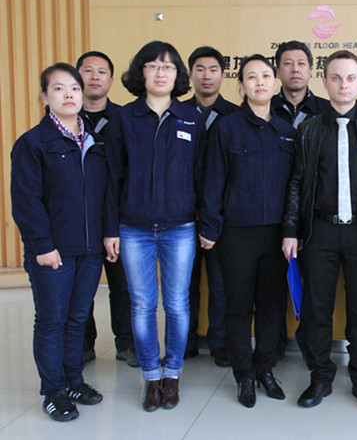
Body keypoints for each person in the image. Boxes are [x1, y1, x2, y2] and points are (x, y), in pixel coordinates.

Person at [282, 50, 357, 410]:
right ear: (324, 81)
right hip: (320, 232)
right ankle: (320, 377)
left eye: (350, 78)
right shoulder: (309, 129)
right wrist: (291, 229)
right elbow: (296, 183)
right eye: (335, 77)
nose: (343, 85)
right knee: (317, 310)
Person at [104, 41, 206, 412]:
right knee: (143, 304)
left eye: (168, 66)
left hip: (180, 227)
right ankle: (151, 377)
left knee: (177, 304)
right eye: (153, 66)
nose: (160, 73)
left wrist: (204, 223)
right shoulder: (124, 118)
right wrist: (110, 228)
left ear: (178, 75)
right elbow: (112, 177)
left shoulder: (192, 118)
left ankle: (172, 374)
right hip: (134, 228)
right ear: (141, 73)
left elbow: (202, 175)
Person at [11, 63, 107, 421]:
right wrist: (42, 245)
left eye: (75, 89)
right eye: (59, 89)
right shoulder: (33, 143)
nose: (69, 95)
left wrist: (106, 235)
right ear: (44, 96)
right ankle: (53, 391)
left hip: (90, 249)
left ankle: (73, 381)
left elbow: (105, 194)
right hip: (53, 250)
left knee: (78, 318)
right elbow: (26, 200)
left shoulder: (94, 140)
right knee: (52, 321)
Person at [199, 55, 295, 408]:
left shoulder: (286, 130)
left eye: (266, 76)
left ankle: (265, 368)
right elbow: (212, 181)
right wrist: (210, 226)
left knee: (271, 306)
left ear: (275, 82)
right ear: (241, 85)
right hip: (236, 233)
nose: (259, 82)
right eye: (251, 77)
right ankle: (243, 374)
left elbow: (295, 186)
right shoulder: (226, 128)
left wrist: (294, 229)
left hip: (277, 235)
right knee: (238, 306)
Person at [76, 51, 138, 369]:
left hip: (119, 215)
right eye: (88, 71)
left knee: (123, 286)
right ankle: (84, 346)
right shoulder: (65, 119)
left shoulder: (124, 118)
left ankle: (126, 344)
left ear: (111, 81)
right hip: (79, 219)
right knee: (82, 288)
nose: (95, 77)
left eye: (102, 72)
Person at [273, 40, 330, 359]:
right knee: (271, 284)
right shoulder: (264, 108)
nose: (295, 69)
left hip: (312, 213)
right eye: (288, 63)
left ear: (311, 70)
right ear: (277, 70)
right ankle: (273, 345)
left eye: (301, 63)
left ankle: (310, 346)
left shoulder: (325, 111)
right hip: (270, 209)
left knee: (313, 286)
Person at [183, 46, 240, 367]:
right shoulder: (176, 112)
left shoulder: (234, 116)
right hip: (182, 215)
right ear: (190, 74)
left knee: (220, 284)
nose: (207, 76)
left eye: (213, 69)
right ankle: (185, 342)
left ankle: (220, 343)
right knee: (183, 285)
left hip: (221, 217)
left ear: (223, 74)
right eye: (200, 69)